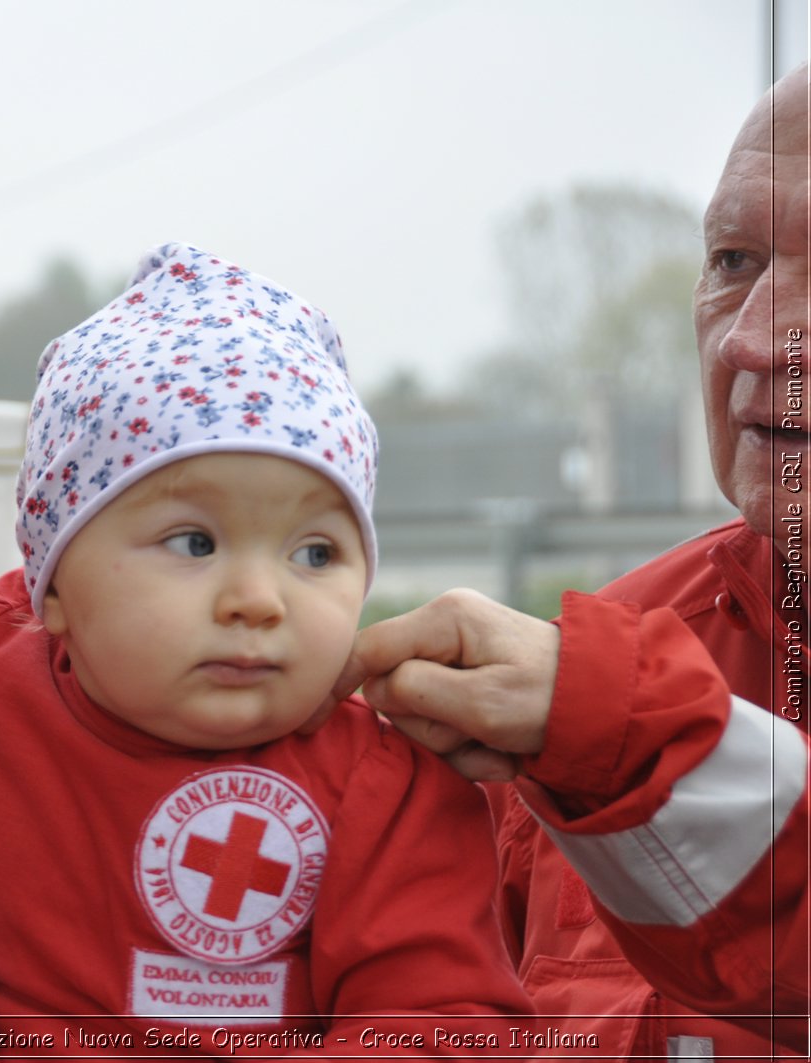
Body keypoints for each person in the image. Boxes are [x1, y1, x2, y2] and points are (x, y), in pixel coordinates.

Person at [0, 242, 536, 1053]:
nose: (258, 599)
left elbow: (442, 1022)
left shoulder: (389, 784)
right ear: (57, 585)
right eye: (194, 541)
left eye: (315, 553)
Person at [330, 64, 810, 1060]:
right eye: (732, 260)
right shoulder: (603, 669)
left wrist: (612, 727)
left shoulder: (592, 704)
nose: (756, 341)